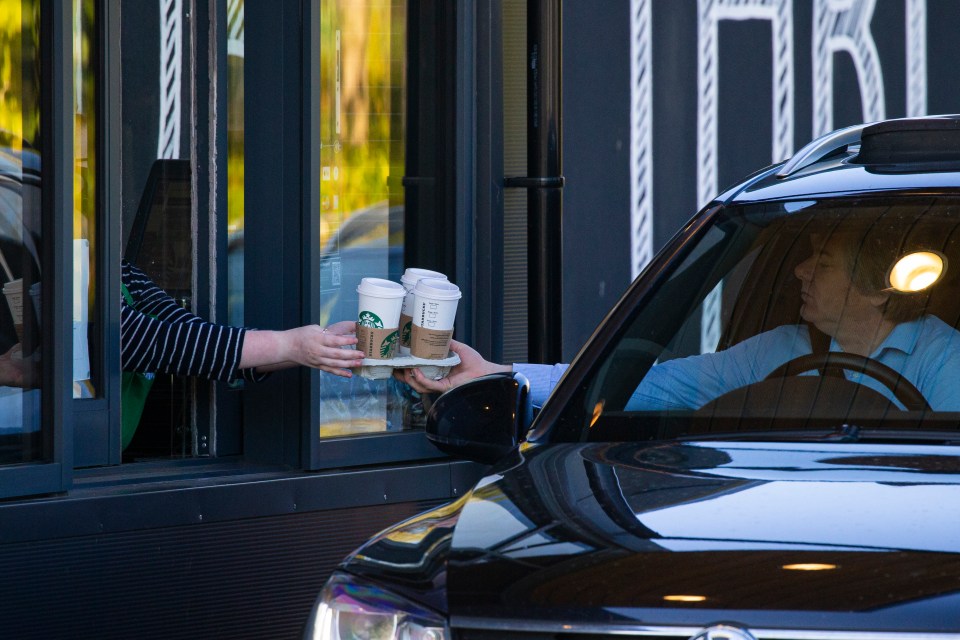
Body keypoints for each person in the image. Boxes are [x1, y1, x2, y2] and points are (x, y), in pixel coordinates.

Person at [397, 225, 960, 412]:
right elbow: (644, 386)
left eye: (826, 262)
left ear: (880, 290)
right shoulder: (777, 351)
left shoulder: (943, 359)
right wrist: (497, 373)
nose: (801, 272)